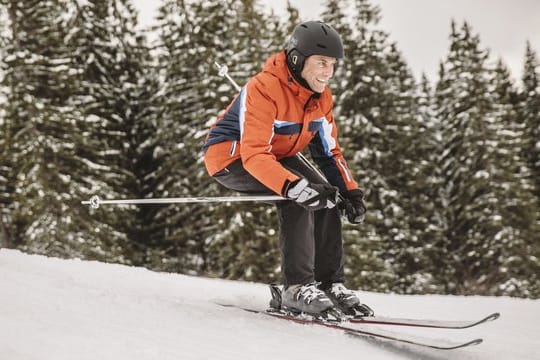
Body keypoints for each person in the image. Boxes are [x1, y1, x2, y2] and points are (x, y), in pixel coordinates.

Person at [203, 21, 373, 317]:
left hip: (277, 154)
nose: (328, 72)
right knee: (297, 197)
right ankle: (296, 288)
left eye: (332, 64)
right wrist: (292, 187)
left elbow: (329, 151)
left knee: (327, 196)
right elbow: (254, 154)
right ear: (297, 59)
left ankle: (328, 283)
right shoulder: (264, 88)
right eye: (321, 62)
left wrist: (350, 191)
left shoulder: (322, 98)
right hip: (232, 157)